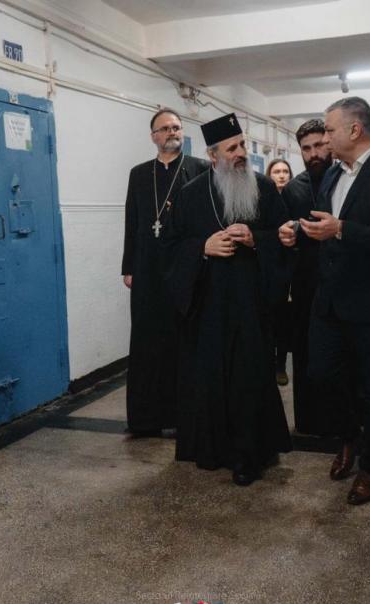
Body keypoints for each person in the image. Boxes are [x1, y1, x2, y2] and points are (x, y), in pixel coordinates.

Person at [279, 97, 370, 505]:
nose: (325, 139)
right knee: (321, 375)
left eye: (330, 130)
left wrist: (342, 229)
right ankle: (348, 437)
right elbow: (322, 223)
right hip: (330, 301)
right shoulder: (333, 174)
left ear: (354, 130)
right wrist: (296, 231)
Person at [165, 113, 292, 486]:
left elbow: (285, 240)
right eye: (232, 148)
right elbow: (170, 248)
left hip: (251, 305)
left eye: (242, 145)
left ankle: (249, 456)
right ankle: (214, 449)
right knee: (211, 379)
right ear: (213, 155)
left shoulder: (264, 188)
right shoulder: (190, 194)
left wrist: (256, 239)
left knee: (248, 379)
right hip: (208, 308)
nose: (241, 154)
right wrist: (202, 248)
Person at [121, 108, 209, 437]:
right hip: (146, 269)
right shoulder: (139, 174)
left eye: (176, 127)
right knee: (147, 342)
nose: (172, 132)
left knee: (183, 341)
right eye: (165, 128)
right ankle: (147, 418)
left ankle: (186, 416)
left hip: (185, 268)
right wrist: (128, 266)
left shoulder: (200, 169)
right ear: (153, 136)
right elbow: (132, 220)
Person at [279, 119, 342, 437]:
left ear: (329, 143)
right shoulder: (294, 189)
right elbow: (282, 234)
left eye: (318, 145)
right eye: (306, 148)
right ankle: (307, 421)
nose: (314, 153)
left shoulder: (346, 180)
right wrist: (286, 234)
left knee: (340, 355)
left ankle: (341, 422)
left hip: (342, 282)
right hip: (305, 285)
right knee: (304, 353)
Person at [266, 158, 294, 385]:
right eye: (277, 171)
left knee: (285, 319)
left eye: (285, 171)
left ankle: (281, 365)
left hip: (292, 264)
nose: (282, 175)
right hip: (270, 265)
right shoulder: (264, 198)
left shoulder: (296, 198)